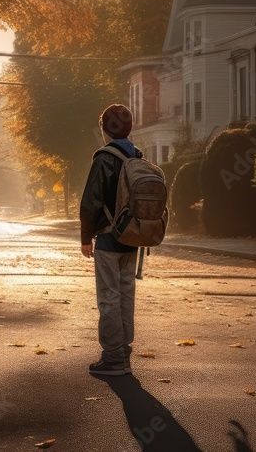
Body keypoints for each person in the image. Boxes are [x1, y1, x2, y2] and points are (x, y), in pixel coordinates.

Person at [80, 103, 142, 376]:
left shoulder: (104, 158)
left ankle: (113, 358)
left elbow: (91, 202)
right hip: (133, 237)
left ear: (104, 128)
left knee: (109, 297)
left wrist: (85, 237)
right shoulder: (137, 156)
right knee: (126, 295)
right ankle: (124, 353)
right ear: (130, 128)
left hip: (107, 239)